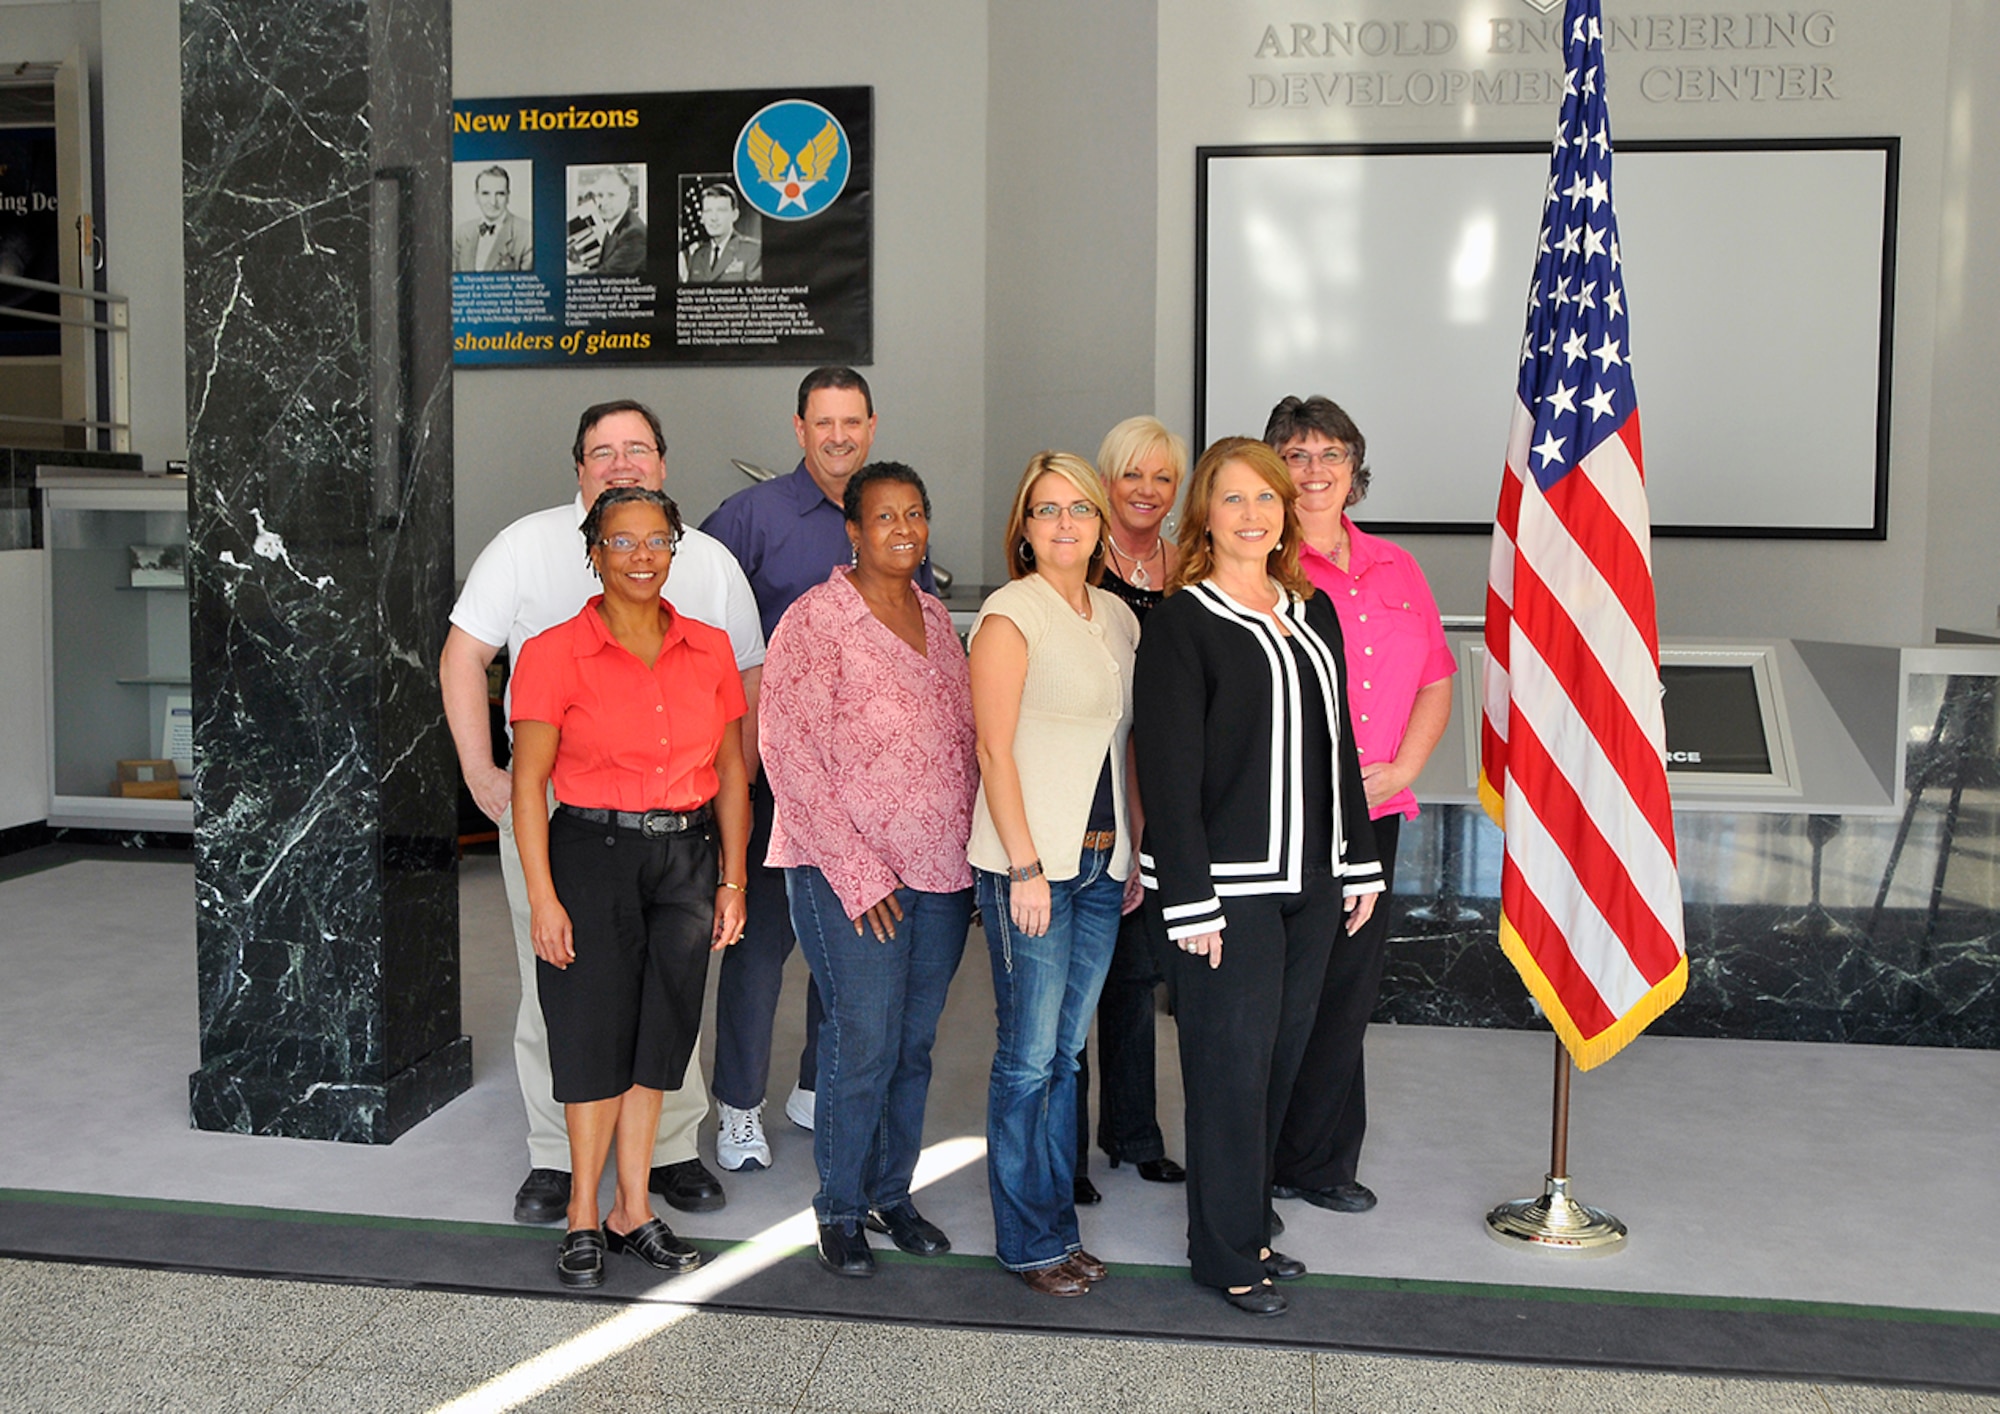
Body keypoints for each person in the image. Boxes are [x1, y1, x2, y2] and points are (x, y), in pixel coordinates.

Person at [441, 400, 761, 1226]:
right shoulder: (523, 545)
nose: (621, 462)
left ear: (662, 462)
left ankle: (667, 1150)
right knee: (562, 987)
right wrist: (481, 769)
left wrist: (728, 809)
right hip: (559, 805)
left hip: (678, 811)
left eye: (638, 448)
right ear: (577, 468)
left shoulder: (711, 561)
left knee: (672, 990)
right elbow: (464, 655)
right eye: (602, 451)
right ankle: (556, 1156)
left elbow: (745, 688)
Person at [1133, 437, 1383, 1317]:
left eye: (1267, 499)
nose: (1253, 515)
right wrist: (1187, 898)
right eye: (1232, 499)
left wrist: (1357, 863)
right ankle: (1228, 1255)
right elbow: (1166, 770)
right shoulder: (1181, 623)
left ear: (1286, 512)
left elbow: (1339, 751)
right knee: (1229, 1071)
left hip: (1312, 888)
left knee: (1280, 1062)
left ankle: (1250, 1224)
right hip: (1226, 895)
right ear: (1205, 513)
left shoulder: (1311, 614)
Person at [509, 487, 751, 1288]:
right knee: (590, 1039)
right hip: (591, 854)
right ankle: (583, 1214)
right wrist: (544, 897)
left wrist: (733, 878)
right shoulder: (551, 652)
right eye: (623, 542)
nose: (642, 556)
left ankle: (632, 1209)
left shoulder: (710, 647)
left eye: (657, 541)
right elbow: (528, 786)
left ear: (674, 548)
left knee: (660, 1041)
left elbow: (730, 774)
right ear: (594, 551)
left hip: (685, 858)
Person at [699, 368, 937, 1174]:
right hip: (777, 778)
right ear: (799, 429)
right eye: (823, 422)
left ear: (872, 426)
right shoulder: (749, 517)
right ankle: (738, 1107)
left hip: (873, 796)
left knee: (851, 943)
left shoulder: (894, 524)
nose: (838, 435)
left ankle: (812, 1087)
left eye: (852, 422)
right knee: (763, 950)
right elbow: (690, 623)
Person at [758, 463, 976, 1278]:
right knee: (864, 1039)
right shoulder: (816, 621)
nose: (904, 530)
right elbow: (789, 754)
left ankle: (892, 1192)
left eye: (916, 514)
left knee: (915, 1045)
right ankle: (840, 1209)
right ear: (852, 529)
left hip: (942, 874)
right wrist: (858, 871)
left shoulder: (936, 617)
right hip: (848, 875)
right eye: (885, 516)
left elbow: (963, 745)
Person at [1262, 395, 1455, 1216]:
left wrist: (1404, 764)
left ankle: (1322, 1163)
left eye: (1330, 454)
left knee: (1347, 990)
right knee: (1276, 993)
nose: (1314, 471)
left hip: (1372, 815)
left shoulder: (1397, 568)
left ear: (1354, 469)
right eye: (1297, 455)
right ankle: (1255, 1162)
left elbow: (1437, 679)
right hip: (1285, 813)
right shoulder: (1259, 562)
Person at [968, 451, 1140, 1297]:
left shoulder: (1116, 618)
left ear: (1101, 523)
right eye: (1047, 509)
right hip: (1030, 870)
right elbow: (993, 749)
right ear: (1025, 528)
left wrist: (1133, 850)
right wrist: (1026, 867)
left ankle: (1058, 1230)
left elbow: (1120, 745)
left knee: (1069, 1056)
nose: (1065, 522)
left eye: (1079, 507)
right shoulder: (1010, 613)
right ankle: (1028, 1242)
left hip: (1104, 864)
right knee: (1029, 1059)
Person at [1072, 416, 1189, 1205]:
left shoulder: (1188, 567)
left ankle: (1134, 1133)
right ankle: (1067, 1151)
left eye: (1163, 479)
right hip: (1088, 785)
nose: (1146, 492)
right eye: (1132, 476)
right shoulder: (1077, 562)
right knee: (1075, 979)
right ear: (1106, 481)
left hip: (1165, 785)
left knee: (1138, 972)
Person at [453, 165, 533, 273]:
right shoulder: (462, 232)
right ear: (476, 197)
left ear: (508, 196)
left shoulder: (527, 233)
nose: (493, 202)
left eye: (500, 194)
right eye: (485, 193)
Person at [683, 184, 762, 283]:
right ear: (702, 217)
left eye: (721, 211)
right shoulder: (697, 255)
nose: (714, 218)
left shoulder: (753, 251)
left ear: (734, 215)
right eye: (708, 211)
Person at [589, 166, 647, 275]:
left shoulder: (635, 233)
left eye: (611, 195)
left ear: (626, 196)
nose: (603, 202)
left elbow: (606, 276)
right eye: (600, 195)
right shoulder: (614, 223)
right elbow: (604, 266)